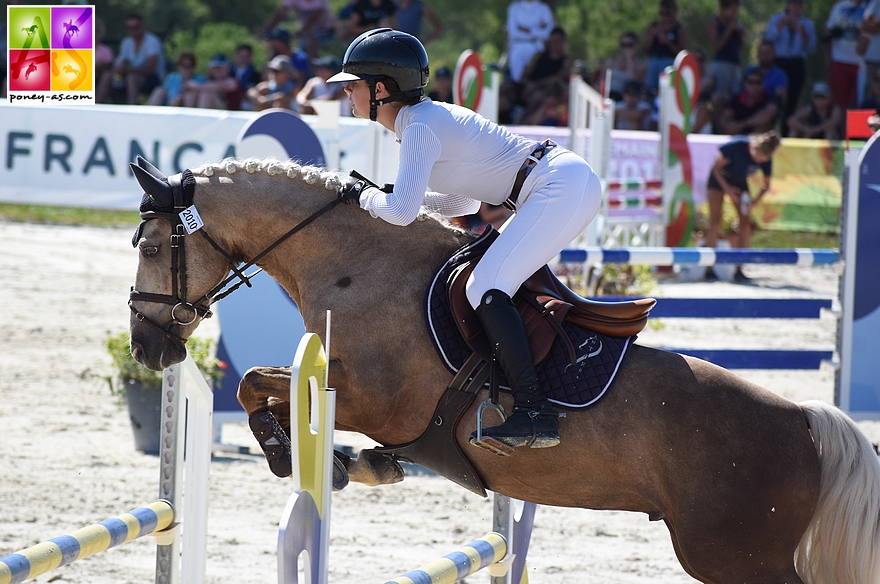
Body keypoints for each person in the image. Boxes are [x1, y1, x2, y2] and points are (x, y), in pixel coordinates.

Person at [328, 28, 602, 454]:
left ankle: (534, 412)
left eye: (354, 84)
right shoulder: (421, 121)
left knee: (485, 286)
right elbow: (465, 200)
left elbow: (399, 213)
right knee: (487, 281)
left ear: (380, 89)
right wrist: (397, 196)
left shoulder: (419, 126)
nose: (347, 92)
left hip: (557, 185)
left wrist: (363, 196)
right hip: (553, 183)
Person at [703, 132, 781, 283]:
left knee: (745, 224)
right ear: (752, 147)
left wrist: (753, 203)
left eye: (761, 159)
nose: (757, 160)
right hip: (719, 180)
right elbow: (716, 170)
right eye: (756, 156)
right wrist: (728, 190)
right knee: (715, 222)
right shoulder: (736, 146)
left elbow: (766, 186)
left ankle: (740, 268)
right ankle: (708, 268)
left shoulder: (766, 158)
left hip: (739, 182)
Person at [764, 0, 817, 136]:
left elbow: (811, 48)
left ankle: (786, 133)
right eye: (793, 3)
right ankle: (769, 131)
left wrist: (804, 34)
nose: (796, 6)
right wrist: (782, 24)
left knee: (792, 100)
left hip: (797, 62)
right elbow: (769, 38)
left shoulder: (807, 24)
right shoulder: (776, 19)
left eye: (799, 4)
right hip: (780, 62)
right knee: (777, 99)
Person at [97, 13, 165, 104]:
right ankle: (96, 104)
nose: (133, 31)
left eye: (136, 27)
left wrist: (127, 71)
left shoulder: (152, 41)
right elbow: (123, 60)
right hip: (131, 74)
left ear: (143, 26)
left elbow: (151, 68)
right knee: (108, 75)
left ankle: (131, 106)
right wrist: (118, 69)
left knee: (131, 78)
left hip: (152, 78)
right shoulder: (126, 42)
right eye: (129, 28)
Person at [823, 0, 865, 109]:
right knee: (839, 103)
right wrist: (829, 59)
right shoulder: (839, 6)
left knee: (859, 102)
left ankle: (857, 126)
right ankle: (841, 126)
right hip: (839, 60)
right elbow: (828, 34)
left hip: (862, 64)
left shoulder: (870, 6)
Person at [519, 26, 572, 111]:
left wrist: (536, 86)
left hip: (548, 92)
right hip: (529, 88)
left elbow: (558, 78)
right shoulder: (538, 56)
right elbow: (524, 76)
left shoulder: (566, 61)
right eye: (552, 41)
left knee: (538, 96)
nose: (554, 44)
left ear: (564, 41)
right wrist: (528, 85)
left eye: (557, 41)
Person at [707, 0, 746, 110]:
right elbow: (717, 46)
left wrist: (741, 35)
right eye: (733, 10)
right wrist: (729, 29)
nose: (735, 13)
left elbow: (740, 47)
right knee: (719, 99)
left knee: (734, 99)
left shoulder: (735, 24)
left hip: (734, 64)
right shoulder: (714, 22)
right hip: (721, 64)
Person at [262, 0, 335, 58]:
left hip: (325, 32)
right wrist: (266, 29)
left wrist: (300, 32)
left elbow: (313, 17)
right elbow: (280, 14)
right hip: (306, 33)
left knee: (310, 43)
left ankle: (314, 71)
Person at [505, 0, 555, 84]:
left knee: (535, 78)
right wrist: (538, 28)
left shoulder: (543, 8)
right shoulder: (514, 7)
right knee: (517, 80)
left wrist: (529, 30)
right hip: (517, 46)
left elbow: (548, 33)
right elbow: (513, 32)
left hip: (536, 46)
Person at [642, 0, 687, 93]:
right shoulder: (653, 26)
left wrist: (667, 41)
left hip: (669, 61)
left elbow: (681, 52)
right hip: (653, 60)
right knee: (650, 87)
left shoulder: (679, 28)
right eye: (662, 13)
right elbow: (645, 48)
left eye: (668, 13)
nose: (664, 16)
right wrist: (653, 34)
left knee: (666, 89)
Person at [718, 70, 779, 135]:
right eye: (751, 82)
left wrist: (743, 124)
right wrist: (729, 125)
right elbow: (726, 117)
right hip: (737, 135)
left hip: (759, 138)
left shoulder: (769, 99)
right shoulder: (736, 99)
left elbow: (769, 113)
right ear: (745, 84)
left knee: (762, 126)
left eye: (758, 82)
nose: (754, 86)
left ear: (763, 84)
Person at [601, 31, 648, 102]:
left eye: (630, 45)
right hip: (609, 95)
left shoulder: (641, 64)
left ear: (636, 45)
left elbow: (633, 82)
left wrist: (629, 60)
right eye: (624, 45)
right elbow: (602, 80)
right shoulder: (612, 61)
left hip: (627, 100)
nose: (627, 48)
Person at [742, 41, 789, 105]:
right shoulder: (748, 71)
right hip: (744, 106)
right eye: (762, 53)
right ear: (757, 55)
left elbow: (780, 100)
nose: (765, 56)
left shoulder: (780, 75)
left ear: (774, 54)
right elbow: (739, 92)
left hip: (766, 109)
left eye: (768, 53)